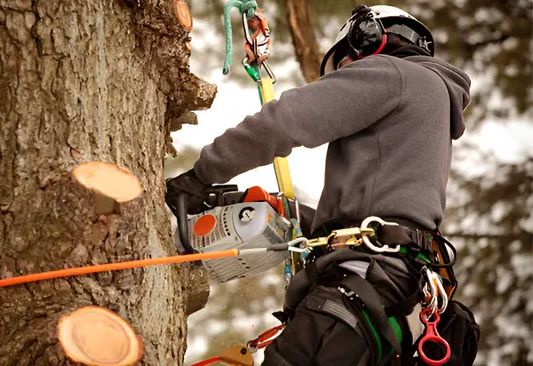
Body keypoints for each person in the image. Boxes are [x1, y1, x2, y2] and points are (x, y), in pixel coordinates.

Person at [166, 5, 475, 365]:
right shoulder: (431, 104)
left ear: (369, 40)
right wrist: (286, 214)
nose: (346, 78)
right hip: (385, 311)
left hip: (350, 299)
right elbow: (384, 219)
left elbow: (283, 123)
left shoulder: (394, 73)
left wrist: (200, 176)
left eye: (345, 66)